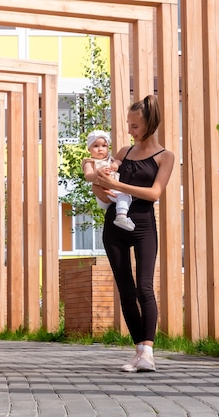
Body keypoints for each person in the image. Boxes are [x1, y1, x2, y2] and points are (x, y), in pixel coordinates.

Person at [92, 95, 175, 372]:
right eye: (128, 124)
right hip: (114, 226)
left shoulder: (165, 157)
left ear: (150, 125)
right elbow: (99, 181)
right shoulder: (124, 153)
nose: (130, 130)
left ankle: (149, 353)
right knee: (126, 291)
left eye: (135, 125)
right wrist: (98, 182)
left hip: (143, 225)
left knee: (144, 288)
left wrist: (122, 187)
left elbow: (154, 193)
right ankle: (138, 351)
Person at [82, 130, 135, 231]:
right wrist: (97, 173)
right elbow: (88, 176)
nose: (100, 149)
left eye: (104, 146)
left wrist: (115, 164)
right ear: (89, 149)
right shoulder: (89, 162)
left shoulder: (110, 160)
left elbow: (119, 161)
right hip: (103, 192)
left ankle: (123, 216)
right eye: (96, 146)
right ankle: (121, 217)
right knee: (125, 195)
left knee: (124, 196)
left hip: (113, 190)